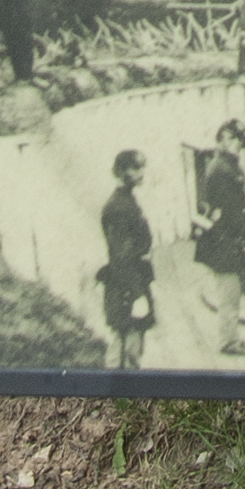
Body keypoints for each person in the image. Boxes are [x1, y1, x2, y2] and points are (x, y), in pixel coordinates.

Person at [192, 118, 245, 355]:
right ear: (224, 139)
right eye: (236, 140)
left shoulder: (226, 165)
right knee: (229, 294)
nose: (240, 145)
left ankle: (232, 336)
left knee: (232, 293)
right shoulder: (222, 169)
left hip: (227, 240)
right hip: (225, 242)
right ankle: (228, 342)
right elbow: (230, 212)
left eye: (241, 141)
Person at [99, 148, 155, 368]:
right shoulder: (119, 208)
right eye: (135, 169)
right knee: (126, 351)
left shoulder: (126, 201)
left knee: (129, 348)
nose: (141, 173)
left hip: (130, 283)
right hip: (126, 288)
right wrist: (137, 294)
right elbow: (122, 256)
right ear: (121, 172)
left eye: (142, 168)